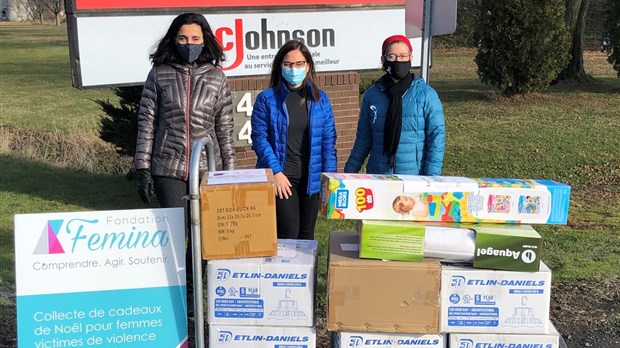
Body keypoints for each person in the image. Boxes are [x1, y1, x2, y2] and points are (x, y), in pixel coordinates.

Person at [133, 13, 236, 314]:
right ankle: (173, 293)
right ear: (173, 40)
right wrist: (142, 166)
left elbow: (225, 129)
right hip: (168, 165)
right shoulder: (159, 73)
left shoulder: (217, 77)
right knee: (175, 234)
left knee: (203, 236)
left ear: (204, 41)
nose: (188, 44)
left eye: (194, 39)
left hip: (207, 169)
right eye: (182, 39)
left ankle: (194, 293)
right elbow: (147, 122)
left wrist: (229, 174)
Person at [251, 40, 337, 240]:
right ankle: (285, 272)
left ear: (308, 66)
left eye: (299, 64)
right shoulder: (267, 99)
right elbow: (259, 139)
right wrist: (276, 172)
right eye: (288, 64)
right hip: (282, 177)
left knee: (307, 234)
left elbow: (328, 142)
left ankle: (308, 273)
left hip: (311, 178)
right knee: (287, 233)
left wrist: (330, 179)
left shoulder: (319, 98)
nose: (294, 68)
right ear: (280, 66)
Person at [344, 35, 445, 175]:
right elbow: (364, 138)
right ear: (383, 59)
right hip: (379, 175)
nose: (398, 61)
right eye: (392, 56)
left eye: (403, 56)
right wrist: (349, 172)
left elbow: (436, 138)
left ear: (411, 58)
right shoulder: (372, 95)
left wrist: (432, 178)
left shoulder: (426, 95)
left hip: (414, 176)